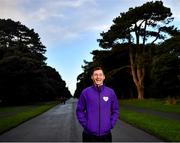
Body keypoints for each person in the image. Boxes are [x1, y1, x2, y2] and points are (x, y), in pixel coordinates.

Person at [76, 67, 119, 142]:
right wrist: (86, 125)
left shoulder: (110, 92)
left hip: (106, 135)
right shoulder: (85, 92)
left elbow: (115, 110)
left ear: (104, 77)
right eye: (95, 75)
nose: (98, 77)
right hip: (88, 135)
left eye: (100, 74)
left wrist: (111, 124)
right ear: (92, 77)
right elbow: (79, 110)